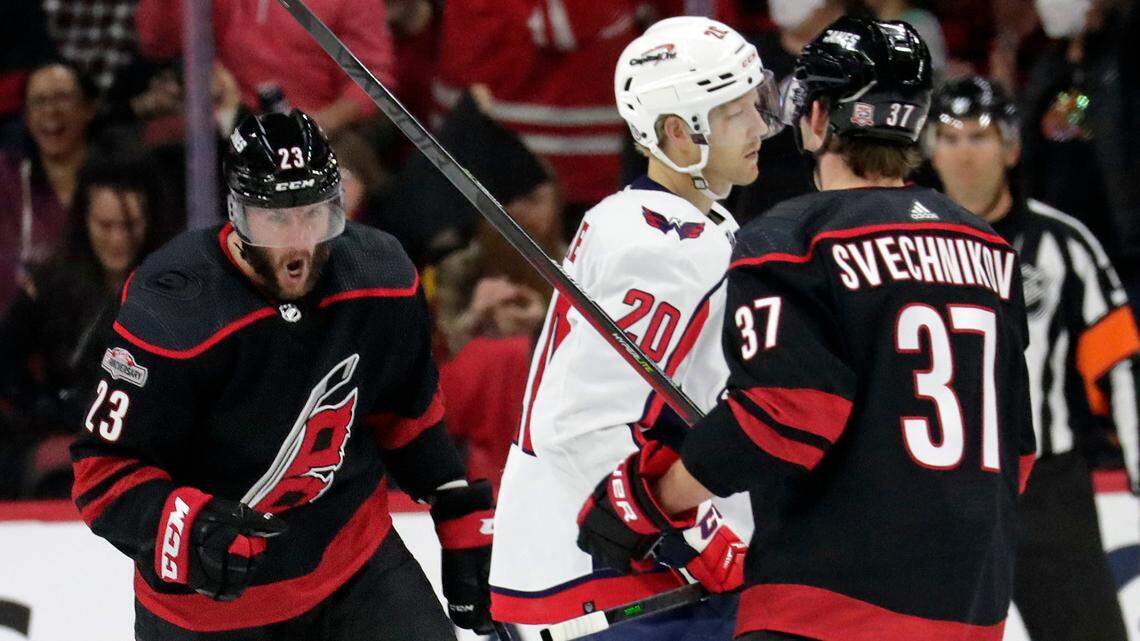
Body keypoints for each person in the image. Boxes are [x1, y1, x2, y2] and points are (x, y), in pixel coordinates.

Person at [577, 17, 1038, 641]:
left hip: (827, 605)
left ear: (818, 117)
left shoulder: (791, 241)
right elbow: (1019, 451)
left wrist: (649, 495)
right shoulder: (990, 251)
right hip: (973, 605)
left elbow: (784, 417)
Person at [68, 110, 494, 640]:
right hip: (209, 610)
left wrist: (456, 508)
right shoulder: (172, 312)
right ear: (237, 215)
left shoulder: (380, 277)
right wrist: (187, 528)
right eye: (275, 219)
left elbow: (406, 413)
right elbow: (102, 474)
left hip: (352, 568)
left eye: (312, 216)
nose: (298, 246)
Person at [490, 17, 785, 640]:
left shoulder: (663, 223)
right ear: (679, 132)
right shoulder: (663, 247)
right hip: (611, 589)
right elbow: (578, 423)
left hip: (627, 584)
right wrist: (705, 540)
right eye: (736, 113)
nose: (760, 126)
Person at [928, 75, 1138, 641]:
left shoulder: (1063, 244)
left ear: (1012, 147)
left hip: (1049, 489)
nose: (964, 153)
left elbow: (1120, 366)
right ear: (928, 149)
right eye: (949, 138)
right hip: (938, 489)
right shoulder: (902, 244)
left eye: (979, 136)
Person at [0, 152, 168, 499]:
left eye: (131, 225)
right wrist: (47, 407)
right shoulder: (49, 286)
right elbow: (6, 368)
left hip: (148, 447)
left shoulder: (172, 290)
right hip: (63, 442)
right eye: (106, 225)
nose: (119, 239)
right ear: (84, 220)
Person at [0, 61, 98, 310]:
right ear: (27, 116)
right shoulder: (7, 178)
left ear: (88, 108)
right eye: (39, 102)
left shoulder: (115, 180)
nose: (51, 111)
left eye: (63, 98)